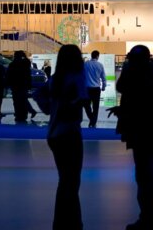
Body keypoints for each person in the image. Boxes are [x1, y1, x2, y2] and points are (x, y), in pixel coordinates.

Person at [110, 45, 153, 230]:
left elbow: (121, 87)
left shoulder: (135, 76)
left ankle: (148, 218)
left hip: (141, 132)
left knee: (144, 175)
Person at [47, 44, 88, 230]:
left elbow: (44, 102)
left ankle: (61, 223)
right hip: (70, 133)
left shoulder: (55, 79)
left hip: (54, 133)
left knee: (64, 180)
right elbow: (81, 100)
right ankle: (73, 223)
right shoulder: (77, 77)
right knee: (72, 182)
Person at [7, 51, 33, 124]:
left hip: (15, 85)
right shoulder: (25, 64)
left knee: (16, 101)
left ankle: (18, 115)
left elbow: (9, 75)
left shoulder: (12, 64)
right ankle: (24, 115)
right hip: (24, 85)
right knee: (23, 100)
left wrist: (8, 84)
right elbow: (28, 75)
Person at [84, 50, 107, 127]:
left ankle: (91, 119)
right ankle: (93, 122)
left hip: (87, 89)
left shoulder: (85, 64)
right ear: (97, 56)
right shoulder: (100, 65)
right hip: (96, 89)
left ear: (91, 55)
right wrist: (103, 87)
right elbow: (103, 78)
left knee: (87, 106)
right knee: (96, 107)